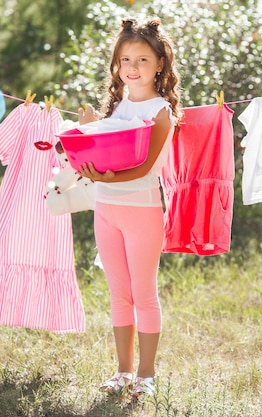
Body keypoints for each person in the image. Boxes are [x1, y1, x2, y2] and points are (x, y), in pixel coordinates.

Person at [77, 17, 181, 399]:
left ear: (159, 64)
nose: (132, 68)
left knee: (143, 294)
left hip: (142, 211)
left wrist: (101, 178)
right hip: (106, 210)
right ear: (116, 66)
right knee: (118, 294)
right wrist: (87, 131)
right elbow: (102, 155)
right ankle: (122, 371)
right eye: (125, 60)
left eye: (141, 60)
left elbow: (144, 167)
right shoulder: (117, 108)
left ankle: (147, 375)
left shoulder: (160, 112)